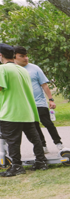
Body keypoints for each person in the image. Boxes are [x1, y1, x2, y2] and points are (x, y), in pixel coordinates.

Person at [0, 43, 47, 177]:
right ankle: (41, 161)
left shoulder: (2, 69)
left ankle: (17, 166)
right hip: (27, 111)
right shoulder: (22, 70)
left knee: (13, 141)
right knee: (35, 138)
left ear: (0, 55)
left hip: (11, 111)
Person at [14, 46, 62, 154]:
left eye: (26, 55)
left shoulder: (35, 68)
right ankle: (43, 145)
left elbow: (44, 85)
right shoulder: (14, 70)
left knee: (47, 123)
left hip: (40, 103)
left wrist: (51, 99)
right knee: (35, 127)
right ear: (14, 57)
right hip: (26, 105)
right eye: (22, 56)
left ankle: (58, 143)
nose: (26, 58)